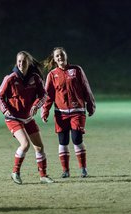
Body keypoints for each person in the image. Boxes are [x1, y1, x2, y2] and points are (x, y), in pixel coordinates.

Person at [0, 51, 54, 184]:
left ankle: (43, 176)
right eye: (19, 61)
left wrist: (36, 106)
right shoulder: (10, 78)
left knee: (39, 147)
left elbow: (43, 95)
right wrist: (5, 110)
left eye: (24, 61)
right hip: (13, 118)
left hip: (28, 118)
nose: (21, 63)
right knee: (25, 144)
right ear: (16, 62)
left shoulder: (35, 78)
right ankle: (15, 173)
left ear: (29, 63)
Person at [41, 47, 96, 178]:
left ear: (66, 56)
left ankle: (83, 169)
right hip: (61, 113)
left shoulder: (77, 70)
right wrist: (45, 111)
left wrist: (90, 104)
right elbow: (48, 95)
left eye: (62, 55)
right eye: (57, 56)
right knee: (63, 141)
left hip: (78, 111)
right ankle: (65, 170)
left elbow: (85, 87)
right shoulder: (52, 75)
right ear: (54, 59)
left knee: (77, 139)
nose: (60, 57)